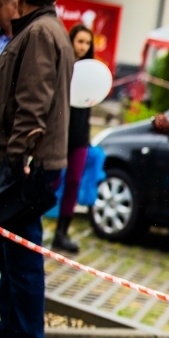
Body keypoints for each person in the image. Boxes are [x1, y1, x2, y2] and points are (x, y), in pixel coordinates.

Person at [0, 0, 74, 338]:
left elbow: (32, 102)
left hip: (31, 164)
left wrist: (18, 158)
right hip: (34, 161)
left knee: (23, 254)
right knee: (14, 252)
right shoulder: (43, 30)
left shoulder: (40, 33)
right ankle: (14, 336)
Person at [51, 24, 94, 253]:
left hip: (79, 139)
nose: (83, 47)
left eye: (87, 43)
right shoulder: (63, 65)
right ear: (72, 41)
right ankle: (32, 225)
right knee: (52, 181)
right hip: (59, 135)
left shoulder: (92, 72)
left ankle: (61, 232)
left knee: (74, 183)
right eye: (80, 41)